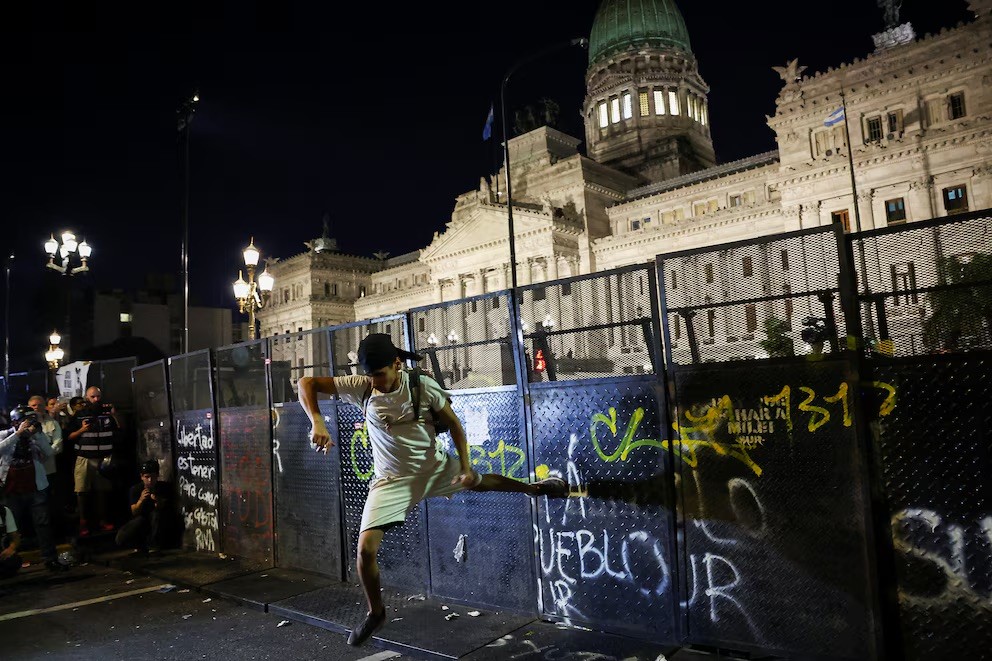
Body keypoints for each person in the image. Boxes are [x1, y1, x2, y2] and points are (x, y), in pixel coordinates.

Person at [299, 333, 570, 647]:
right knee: (365, 551)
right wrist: (316, 422)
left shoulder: (421, 386)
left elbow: (454, 425)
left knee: (480, 482)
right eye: (370, 375)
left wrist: (466, 467)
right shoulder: (361, 386)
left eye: (380, 374)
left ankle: (535, 489)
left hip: (433, 468)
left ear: (397, 364)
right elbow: (307, 383)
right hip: (391, 481)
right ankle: (376, 613)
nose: (376, 382)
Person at [0, 407, 66, 572]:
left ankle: (50, 559)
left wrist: (36, 435)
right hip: (11, 490)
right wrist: (18, 434)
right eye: (27, 420)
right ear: (16, 421)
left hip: (35, 487)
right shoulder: (5, 434)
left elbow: (49, 452)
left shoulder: (35, 436)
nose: (30, 424)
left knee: (43, 524)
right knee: (11, 528)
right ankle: (8, 561)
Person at [64, 387, 121, 537]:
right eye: (92, 397)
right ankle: (83, 522)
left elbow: (120, 430)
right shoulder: (80, 415)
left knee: (102, 491)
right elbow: (69, 437)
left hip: (103, 459)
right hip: (84, 458)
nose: (96, 399)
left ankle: (103, 520)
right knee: (81, 491)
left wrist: (115, 416)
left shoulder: (107, 414)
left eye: (98, 396)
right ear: (86, 398)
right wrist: (81, 430)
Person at [116, 460, 175, 555]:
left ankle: (154, 545)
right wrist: (141, 500)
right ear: (142, 477)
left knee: (156, 515)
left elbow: (164, 509)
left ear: (157, 476)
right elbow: (134, 511)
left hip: (156, 522)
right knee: (121, 537)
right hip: (142, 520)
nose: (150, 480)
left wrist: (157, 501)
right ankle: (139, 545)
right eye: (147, 477)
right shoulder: (135, 489)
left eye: (153, 477)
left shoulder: (163, 487)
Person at [30, 395, 64, 533]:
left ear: (45, 406)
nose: (36, 408)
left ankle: (52, 530)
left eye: (39, 405)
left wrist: (47, 451)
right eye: (33, 405)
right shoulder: (25, 425)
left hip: (49, 469)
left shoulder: (53, 423)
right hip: (33, 471)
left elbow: (59, 443)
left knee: (50, 501)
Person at [0, 501, 22, 579]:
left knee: (14, 561)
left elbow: (15, 537)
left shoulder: (4, 511)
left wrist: (11, 548)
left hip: (2, 554)